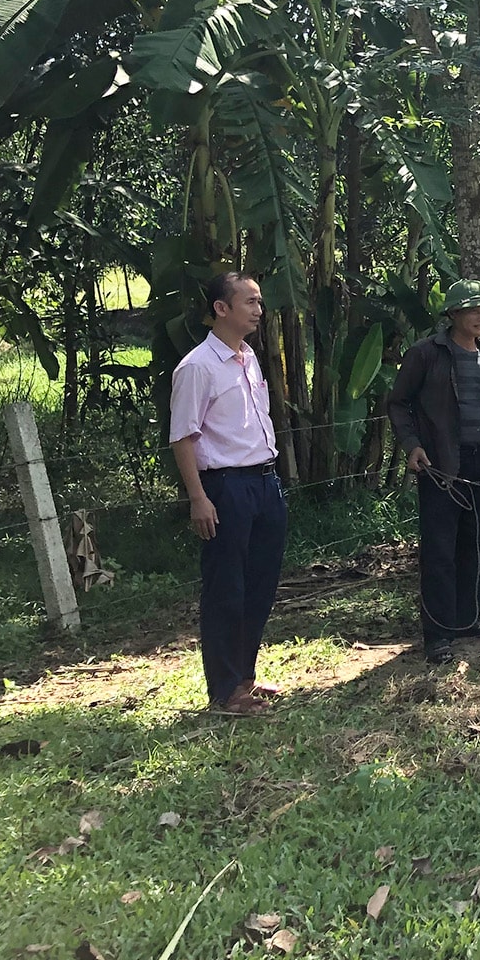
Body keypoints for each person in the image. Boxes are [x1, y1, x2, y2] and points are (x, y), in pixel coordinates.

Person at [169, 272, 288, 717]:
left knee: (260, 585)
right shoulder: (198, 367)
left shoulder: (249, 357)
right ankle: (223, 691)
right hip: (225, 485)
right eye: (250, 302)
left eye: (260, 301)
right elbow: (183, 437)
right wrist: (198, 497)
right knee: (226, 588)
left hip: (264, 481)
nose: (259, 309)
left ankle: (245, 677)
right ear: (222, 308)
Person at [387, 279, 480, 662]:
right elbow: (398, 403)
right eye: (474, 310)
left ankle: (468, 620)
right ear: (453, 314)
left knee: (477, 546)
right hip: (440, 465)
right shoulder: (426, 353)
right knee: (440, 550)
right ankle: (437, 633)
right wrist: (412, 446)